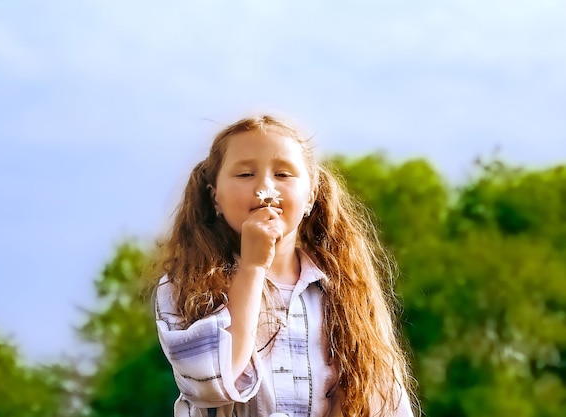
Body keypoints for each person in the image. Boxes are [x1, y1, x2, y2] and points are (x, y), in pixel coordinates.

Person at [152, 115, 416, 416]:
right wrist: (252, 267)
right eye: (244, 174)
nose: (265, 187)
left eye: (283, 175)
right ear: (215, 198)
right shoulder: (186, 284)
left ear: (310, 197)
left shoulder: (346, 291)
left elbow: (383, 401)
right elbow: (210, 383)